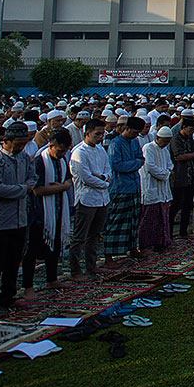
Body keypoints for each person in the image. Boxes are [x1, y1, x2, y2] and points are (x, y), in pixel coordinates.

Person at [0, 121, 37, 317]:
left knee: (13, 262)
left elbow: (33, 179)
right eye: (18, 143)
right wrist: (22, 189)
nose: (21, 147)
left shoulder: (25, 158)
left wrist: (24, 188)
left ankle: (8, 297)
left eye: (23, 143)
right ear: (7, 141)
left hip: (19, 218)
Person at [22, 129, 73, 298]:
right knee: (33, 250)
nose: (62, 154)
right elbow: (37, 190)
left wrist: (61, 186)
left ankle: (52, 278)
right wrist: (61, 187)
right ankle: (28, 286)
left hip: (58, 209)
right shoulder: (39, 162)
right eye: (60, 150)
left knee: (55, 245)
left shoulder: (62, 160)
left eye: (65, 151)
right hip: (40, 212)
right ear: (51, 146)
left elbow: (68, 179)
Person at [69, 119, 110, 281]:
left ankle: (91, 266)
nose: (100, 137)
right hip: (86, 198)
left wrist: (104, 178)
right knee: (80, 236)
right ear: (87, 134)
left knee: (95, 234)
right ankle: (75, 270)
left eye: (102, 134)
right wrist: (104, 182)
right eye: (97, 134)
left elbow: (108, 169)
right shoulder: (79, 152)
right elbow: (86, 177)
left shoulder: (100, 150)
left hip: (102, 198)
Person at [105, 116, 145, 265]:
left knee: (134, 220)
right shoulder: (115, 143)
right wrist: (134, 163)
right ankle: (109, 255)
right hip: (121, 187)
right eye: (133, 132)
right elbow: (117, 165)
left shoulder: (135, 141)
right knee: (117, 222)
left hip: (134, 185)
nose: (135, 135)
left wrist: (134, 163)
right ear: (126, 129)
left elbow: (141, 159)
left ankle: (132, 248)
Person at [138, 126, 174, 254]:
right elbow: (150, 166)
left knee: (162, 218)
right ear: (158, 138)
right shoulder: (148, 148)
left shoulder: (165, 150)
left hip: (163, 187)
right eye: (164, 141)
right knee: (149, 219)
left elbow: (170, 164)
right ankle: (146, 246)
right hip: (151, 185)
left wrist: (167, 171)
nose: (165, 144)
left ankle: (161, 243)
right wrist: (165, 174)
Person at [168, 117, 194, 238]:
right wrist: (192, 155)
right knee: (176, 206)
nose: (192, 132)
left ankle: (183, 232)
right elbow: (179, 156)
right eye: (190, 129)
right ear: (184, 127)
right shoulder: (175, 140)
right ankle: (169, 233)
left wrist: (190, 155)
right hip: (179, 176)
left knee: (187, 205)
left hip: (190, 176)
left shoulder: (190, 139)